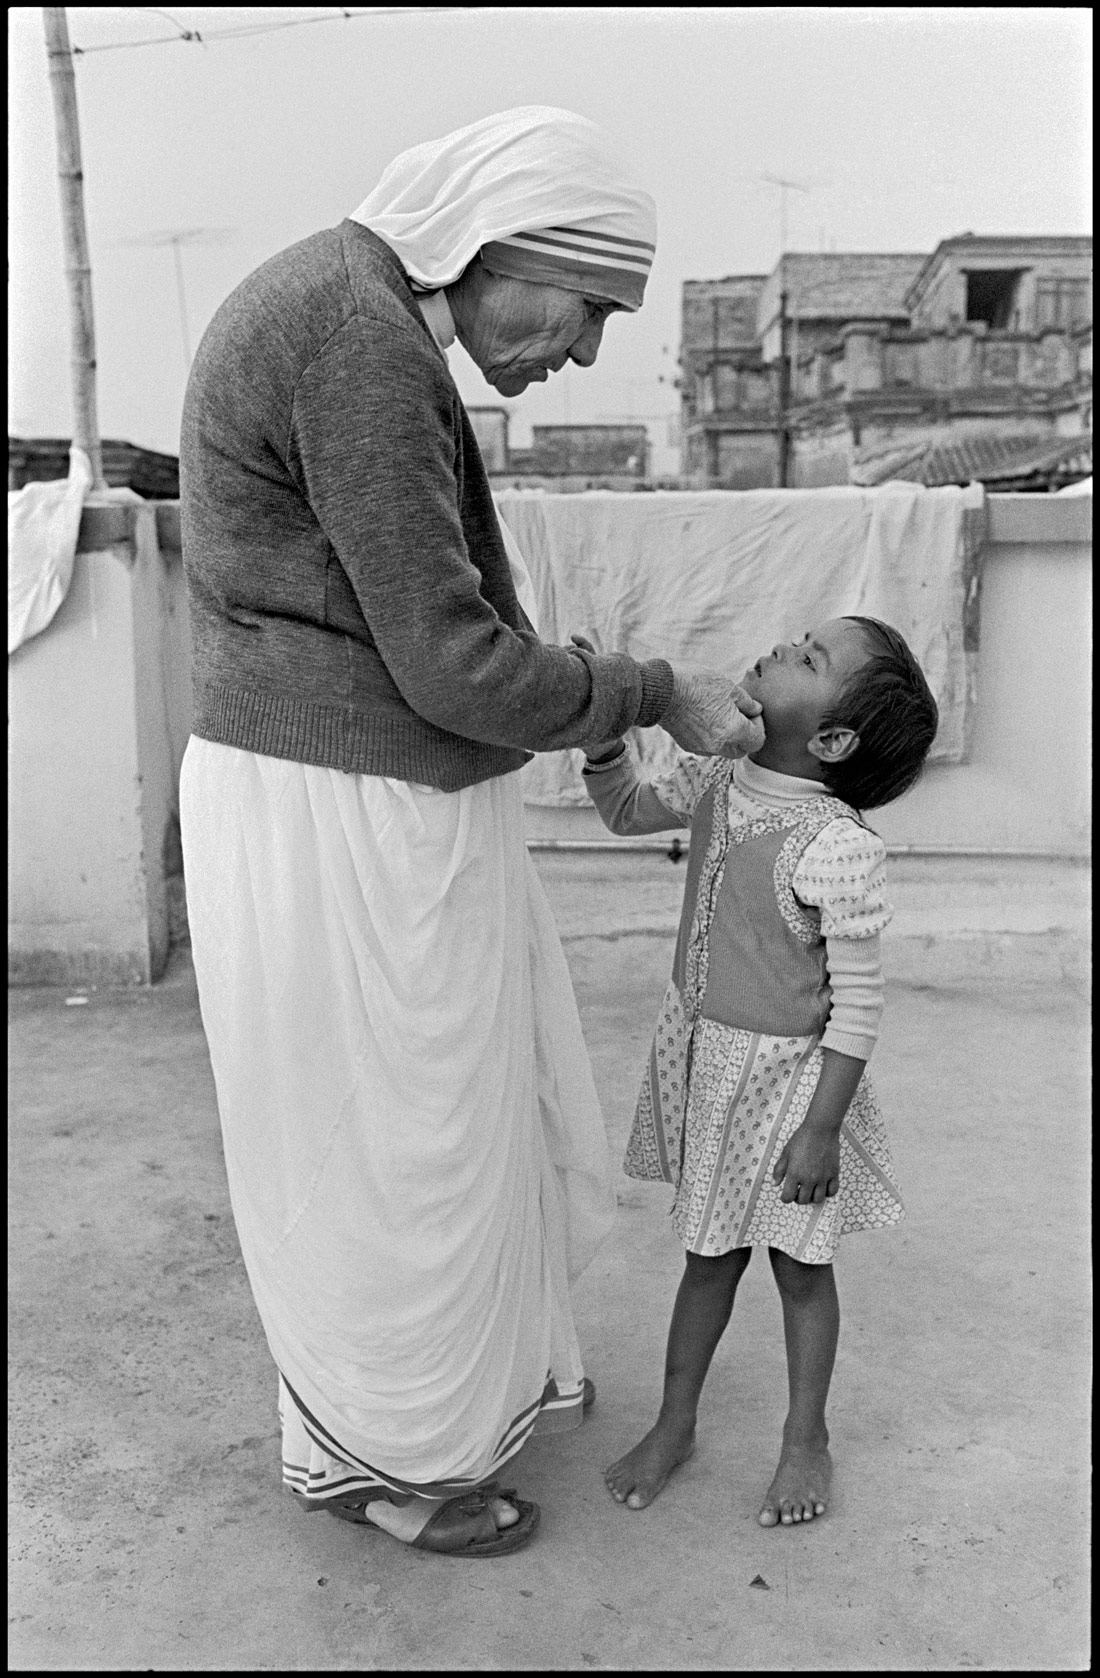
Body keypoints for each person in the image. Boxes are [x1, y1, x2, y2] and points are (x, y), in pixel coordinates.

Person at [178, 106, 764, 1558]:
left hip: (343, 792)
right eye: (586, 311)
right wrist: (648, 690)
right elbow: (452, 667)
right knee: (397, 1151)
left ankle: (390, 1423)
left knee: (397, 1134)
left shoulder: (349, 310)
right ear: (506, 250)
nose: (580, 354)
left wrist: (570, 688)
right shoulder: (357, 335)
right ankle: (403, 1458)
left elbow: (426, 628)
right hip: (343, 810)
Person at [579, 615, 938, 1527]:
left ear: (831, 739)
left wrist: (821, 1132)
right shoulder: (715, 778)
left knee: (801, 1271)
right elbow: (625, 811)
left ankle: (806, 1437)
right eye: (798, 639)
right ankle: (675, 1423)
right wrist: (602, 731)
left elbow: (858, 1007)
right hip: (710, 1069)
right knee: (707, 1258)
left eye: (809, 659)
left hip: (788, 1094)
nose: (782, 649)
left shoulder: (836, 847)